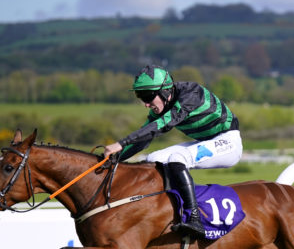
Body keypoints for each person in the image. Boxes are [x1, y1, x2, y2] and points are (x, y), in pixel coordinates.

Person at [104, 65, 242, 237]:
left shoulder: (191, 94)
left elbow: (161, 125)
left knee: (178, 158)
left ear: (164, 91)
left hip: (229, 143)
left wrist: (121, 142)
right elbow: (145, 137)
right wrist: (113, 160)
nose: (146, 104)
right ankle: (163, 209)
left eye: (148, 97)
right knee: (153, 158)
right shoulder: (164, 102)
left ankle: (194, 218)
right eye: (140, 97)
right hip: (206, 142)